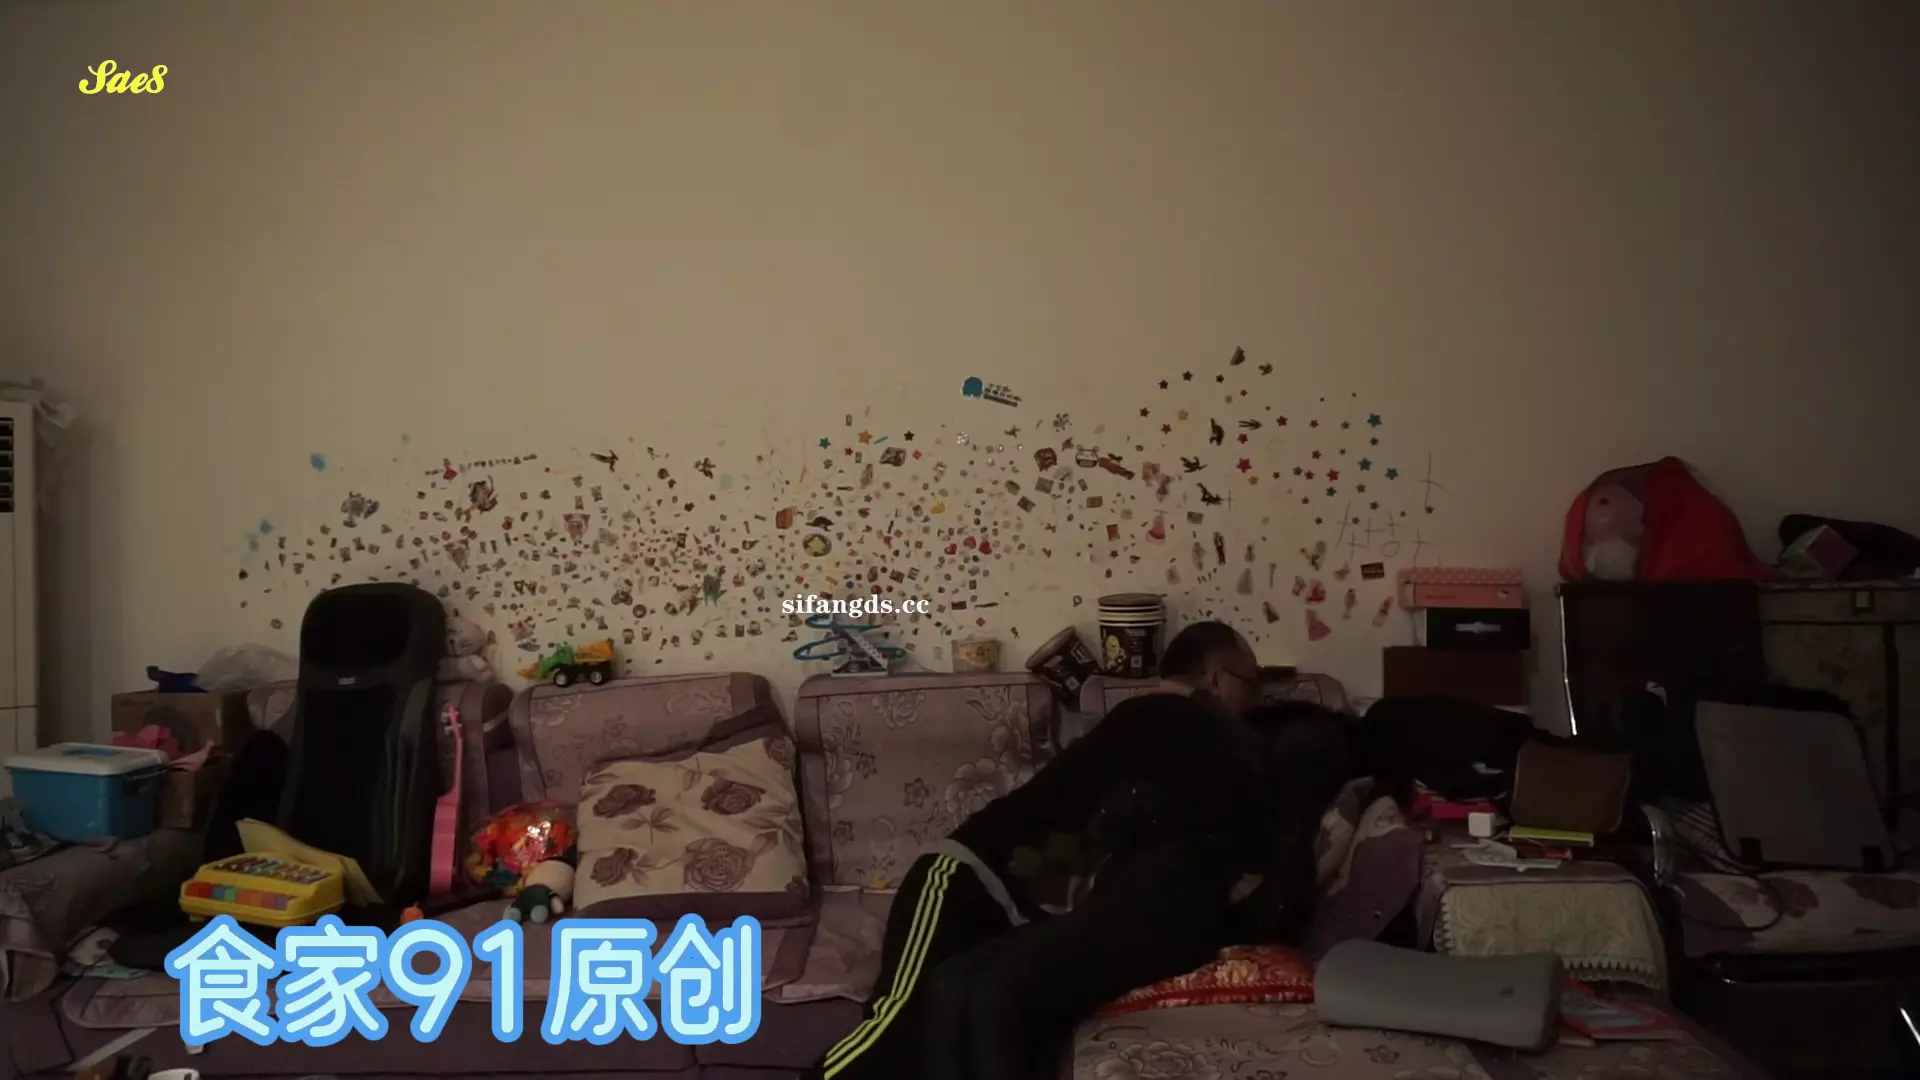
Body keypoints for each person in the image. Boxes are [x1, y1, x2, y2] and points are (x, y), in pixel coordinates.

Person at [806, 621, 1293, 1080]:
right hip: (962, 880)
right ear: (1218, 680)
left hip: (1009, 898)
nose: (1257, 700)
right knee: (895, 1029)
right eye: (1252, 686)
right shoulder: (1173, 719)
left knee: (955, 1024)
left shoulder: (1149, 724)